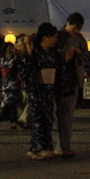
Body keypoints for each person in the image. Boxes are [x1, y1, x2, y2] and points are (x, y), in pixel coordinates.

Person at [17, 23, 59, 160]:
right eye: (53, 37)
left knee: (47, 118)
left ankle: (35, 148)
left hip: (48, 89)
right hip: (36, 89)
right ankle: (40, 149)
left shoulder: (52, 52)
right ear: (45, 37)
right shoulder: (35, 51)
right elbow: (24, 70)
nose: (55, 39)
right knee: (40, 118)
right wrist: (28, 52)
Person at [54, 12, 88, 159]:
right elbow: (54, 54)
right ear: (67, 23)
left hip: (73, 78)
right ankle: (60, 146)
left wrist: (78, 51)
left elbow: (86, 55)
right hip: (59, 78)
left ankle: (62, 146)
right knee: (59, 114)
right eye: (74, 28)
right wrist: (68, 50)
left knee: (67, 114)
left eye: (78, 29)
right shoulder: (58, 36)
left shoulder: (80, 38)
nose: (76, 32)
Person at [0, 39, 24, 128]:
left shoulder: (15, 59)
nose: (10, 50)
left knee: (7, 100)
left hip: (13, 82)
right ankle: (16, 122)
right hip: (4, 82)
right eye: (9, 48)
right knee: (10, 104)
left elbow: (19, 68)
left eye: (12, 48)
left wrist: (17, 58)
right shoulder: (2, 59)